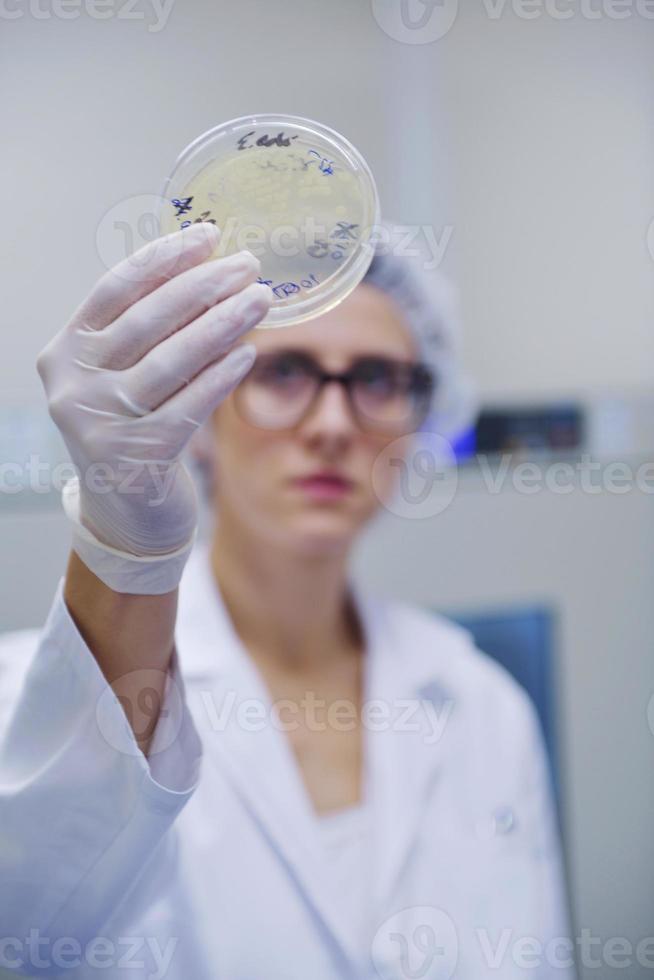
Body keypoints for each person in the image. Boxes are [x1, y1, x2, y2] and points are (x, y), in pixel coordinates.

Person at [0, 222, 575, 979]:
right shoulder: (25, 701)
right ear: (201, 405)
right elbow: (28, 926)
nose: (334, 424)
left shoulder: (486, 708)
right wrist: (121, 547)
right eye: (284, 372)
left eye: (376, 379)